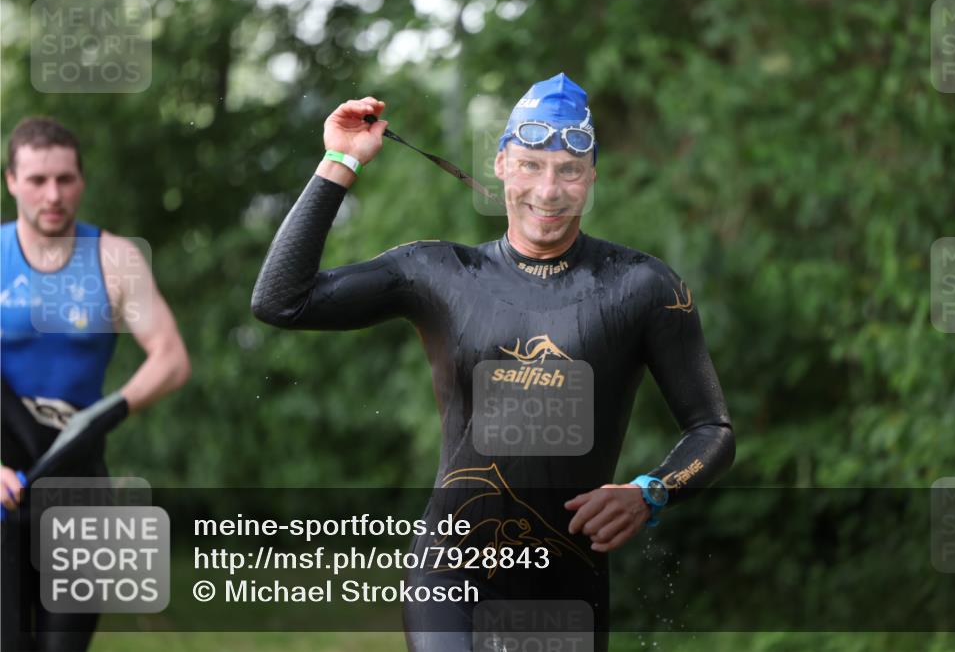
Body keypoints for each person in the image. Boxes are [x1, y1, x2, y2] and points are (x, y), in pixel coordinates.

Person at [252, 73, 735, 651]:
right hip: (449, 571)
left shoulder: (642, 287)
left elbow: (712, 429)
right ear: (501, 164)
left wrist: (651, 491)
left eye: (569, 170)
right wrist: (339, 162)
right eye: (531, 165)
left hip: (568, 585)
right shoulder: (438, 273)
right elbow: (281, 300)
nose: (549, 190)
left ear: (592, 178)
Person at [1, 117, 191, 652]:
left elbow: (172, 359)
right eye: (37, 180)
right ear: (12, 181)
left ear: (81, 181)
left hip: (78, 480)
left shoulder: (115, 259)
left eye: (65, 179)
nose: (53, 194)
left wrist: (105, 415)